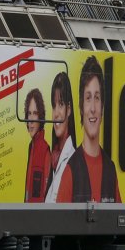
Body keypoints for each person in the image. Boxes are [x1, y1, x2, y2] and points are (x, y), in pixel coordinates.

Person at [54, 56, 121, 203]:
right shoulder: (70, 171)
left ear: (102, 107)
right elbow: (59, 225)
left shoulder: (111, 170)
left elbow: (118, 224)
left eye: (97, 98)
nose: (92, 109)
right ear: (81, 108)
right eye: (88, 98)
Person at [44, 71, 77, 203]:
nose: (56, 113)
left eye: (61, 105)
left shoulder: (73, 159)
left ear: (69, 109)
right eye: (54, 105)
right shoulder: (54, 158)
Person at [24, 88, 52, 202]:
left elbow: (41, 197)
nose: (30, 120)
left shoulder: (44, 150)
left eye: (35, 114)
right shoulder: (32, 146)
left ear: (41, 117)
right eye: (29, 113)